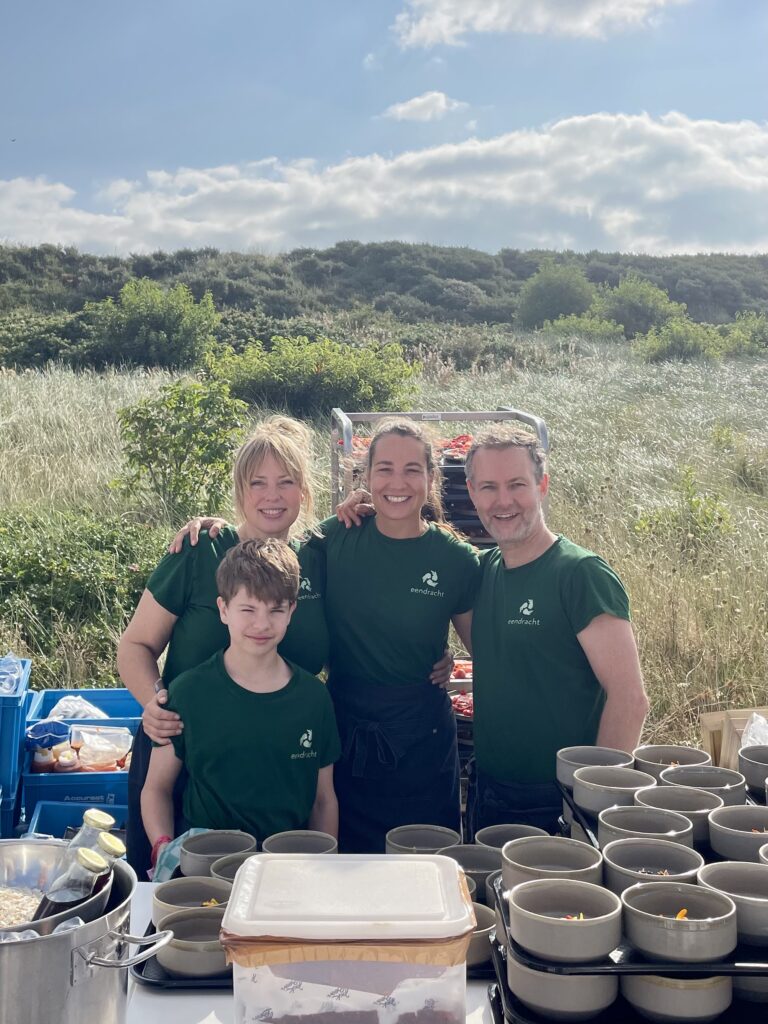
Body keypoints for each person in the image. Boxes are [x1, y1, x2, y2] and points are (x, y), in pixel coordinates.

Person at [118, 415, 329, 875]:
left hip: (276, 770)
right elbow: (134, 645)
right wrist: (154, 704)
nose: (272, 496)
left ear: (305, 490)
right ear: (239, 490)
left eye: (286, 482)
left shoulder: (319, 554)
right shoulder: (201, 549)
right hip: (181, 751)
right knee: (177, 904)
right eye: (258, 483)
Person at [463, 426, 649, 835]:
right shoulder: (483, 571)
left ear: (542, 486)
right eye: (489, 487)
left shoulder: (580, 574)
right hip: (489, 790)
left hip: (558, 800)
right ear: (472, 492)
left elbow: (630, 699)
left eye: (517, 484)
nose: (504, 500)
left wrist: (592, 803)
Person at [308, 419, 480, 852]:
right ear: (365, 478)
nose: (397, 482)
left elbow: (487, 650)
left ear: (431, 479)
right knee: (347, 868)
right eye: (384, 469)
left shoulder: (454, 558)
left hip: (423, 737)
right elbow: (266, 550)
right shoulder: (334, 539)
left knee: (426, 864)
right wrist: (214, 528)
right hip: (344, 730)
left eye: (411, 470)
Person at [141, 538, 340, 866]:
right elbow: (156, 789)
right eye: (248, 609)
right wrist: (163, 845)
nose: (262, 624)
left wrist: (325, 863)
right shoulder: (187, 692)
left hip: (287, 866)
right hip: (205, 869)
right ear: (223, 609)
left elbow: (323, 800)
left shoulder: (314, 698)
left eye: (276, 609)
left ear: (292, 610)